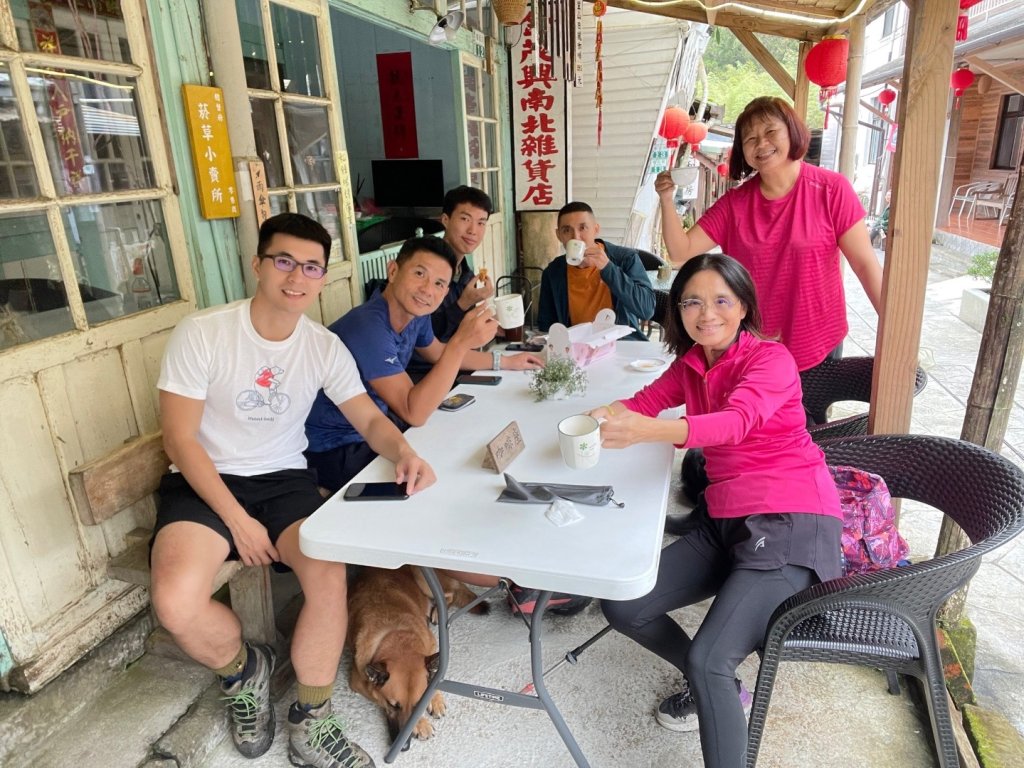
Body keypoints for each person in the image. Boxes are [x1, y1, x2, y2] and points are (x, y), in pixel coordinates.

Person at [151, 213, 436, 768]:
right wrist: (236, 520)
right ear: (258, 264)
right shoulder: (203, 332)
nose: (296, 276)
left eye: (310, 266)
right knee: (174, 600)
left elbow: (370, 420)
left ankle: (312, 718)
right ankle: (244, 672)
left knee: (328, 576)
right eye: (283, 261)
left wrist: (403, 451)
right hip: (203, 479)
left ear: (322, 277)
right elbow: (180, 439)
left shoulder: (323, 347)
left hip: (284, 480)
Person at [591, 253, 842, 768]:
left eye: (721, 300)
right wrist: (598, 416)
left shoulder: (769, 359)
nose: (707, 314)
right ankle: (716, 689)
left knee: (710, 660)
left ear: (744, 305)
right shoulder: (691, 364)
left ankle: (712, 683)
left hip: (790, 517)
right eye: (692, 302)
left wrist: (649, 431)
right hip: (727, 520)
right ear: (677, 310)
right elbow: (643, 400)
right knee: (623, 605)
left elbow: (736, 423)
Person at [656, 96, 882, 374]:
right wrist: (667, 199)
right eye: (750, 139)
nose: (761, 144)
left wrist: (893, 329)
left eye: (770, 132)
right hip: (754, 346)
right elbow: (681, 251)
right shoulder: (734, 205)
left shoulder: (831, 189)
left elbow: (864, 264)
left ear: (792, 132)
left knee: (812, 418)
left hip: (817, 341)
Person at [304, 235, 542, 494]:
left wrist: (506, 361)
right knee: (439, 481)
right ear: (393, 271)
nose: (428, 290)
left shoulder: (416, 314)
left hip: (376, 430)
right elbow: (413, 412)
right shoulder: (367, 326)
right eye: (419, 274)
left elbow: (438, 353)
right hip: (332, 446)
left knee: (459, 444)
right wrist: (461, 342)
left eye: (440, 283)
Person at [406, 185, 495, 377]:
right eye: (465, 219)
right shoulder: (424, 267)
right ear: (445, 220)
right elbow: (422, 336)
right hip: (420, 374)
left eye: (481, 223)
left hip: (455, 368)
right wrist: (463, 303)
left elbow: (462, 335)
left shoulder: (466, 274)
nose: (473, 231)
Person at [537, 201, 655, 341]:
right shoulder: (553, 272)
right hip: (577, 348)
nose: (576, 237)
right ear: (559, 235)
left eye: (583, 228)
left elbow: (647, 310)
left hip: (621, 344)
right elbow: (546, 325)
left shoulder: (625, 259)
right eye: (567, 230)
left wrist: (607, 268)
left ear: (596, 229)